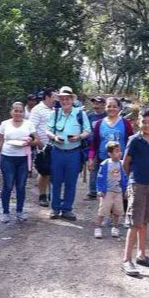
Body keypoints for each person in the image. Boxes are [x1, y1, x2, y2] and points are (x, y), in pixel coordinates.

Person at [121, 108, 149, 276]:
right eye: (144, 122)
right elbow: (125, 163)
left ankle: (141, 255)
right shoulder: (134, 140)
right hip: (137, 184)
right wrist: (132, 180)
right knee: (134, 222)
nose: (147, 125)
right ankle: (126, 260)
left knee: (144, 221)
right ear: (138, 122)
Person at [46, 85, 91, 220]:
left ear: (72, 99)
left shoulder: (80, 114)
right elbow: (48, 130)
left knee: (71, 182)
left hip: (74, 153)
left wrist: (79, 137)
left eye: (67, 99)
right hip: (57, 152)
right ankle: (55, 209)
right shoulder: (55, 114)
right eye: (62, 99)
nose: (65, 101)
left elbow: (87, 131)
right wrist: (54, 137)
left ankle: (67, 209)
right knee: (56, 181)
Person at [0, 102, 39, 222]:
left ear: (23, 112)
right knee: (8, 185)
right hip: (7, 158)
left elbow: (37, 140)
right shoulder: (5, 124)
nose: (18, 113)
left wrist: (31, 142)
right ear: (11, 112)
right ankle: (5, 212)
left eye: (20, 111)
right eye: (16, 111)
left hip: (23, 158)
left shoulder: (29, 124)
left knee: (21, 186)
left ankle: (20, 211)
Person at [94, 141, 128, 239]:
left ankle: (115, 227)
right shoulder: (105, 164)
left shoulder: (121, 164)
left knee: (117, 211)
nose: (119, 153)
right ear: (110, 154)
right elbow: (100, 178)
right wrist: (100, 190)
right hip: (107, 192)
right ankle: (98, 228)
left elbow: (124, 177)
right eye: (116, 151)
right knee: (103, 211)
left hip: (118, 191)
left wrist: (125, 189)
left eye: (120, 151)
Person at [30, 89, 56, 207]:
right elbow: (31, 127)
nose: (55, 99)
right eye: (53, 97)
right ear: (46, 97)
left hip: (55, 146)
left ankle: (53, 194)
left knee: (54, 171)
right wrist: (39, 142)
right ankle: (42, 195)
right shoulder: (37, 109)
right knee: (44, 171)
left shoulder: (55, 109)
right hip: (42, 147)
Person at [85, 96, 107, 200]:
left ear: (103, 104)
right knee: (93, 168)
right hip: (91, 146)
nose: (96, 106)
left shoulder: (107, 116)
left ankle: (106, 190)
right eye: (94, 103)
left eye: (98, 103)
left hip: (104, 145)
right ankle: (92, 192)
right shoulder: (89, 116)